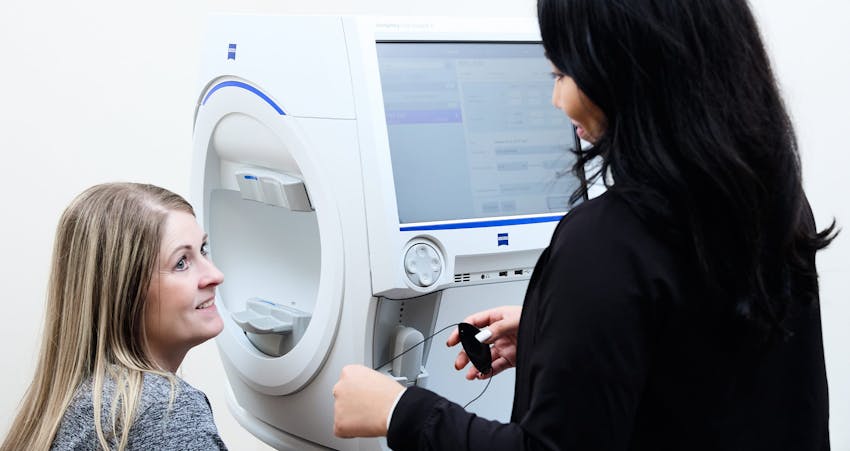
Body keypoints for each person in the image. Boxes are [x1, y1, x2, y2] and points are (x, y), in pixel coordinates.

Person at [332, 0, 836, 449]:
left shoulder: (605, 243)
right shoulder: (778, 206)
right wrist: (563, 332)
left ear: (622, 70)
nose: (557, 100)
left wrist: (398, 411)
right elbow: (707, 380)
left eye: (561, 75)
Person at [1, 183, 228, 450]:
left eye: (203, 250)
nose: (215, 275)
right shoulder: (162, 412)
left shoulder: (81, 404)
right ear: (125, 292)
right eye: (181, 263)